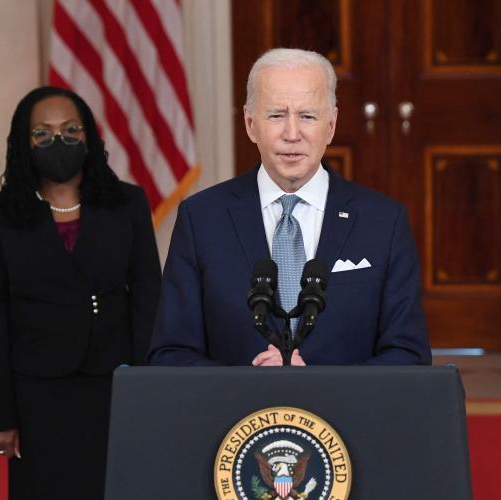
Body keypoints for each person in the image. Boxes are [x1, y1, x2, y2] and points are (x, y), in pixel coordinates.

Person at [0, 86, 161, 500]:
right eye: (43, 133)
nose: (59, 141)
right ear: (23, 144)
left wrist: (150, 392)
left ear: (90, 136)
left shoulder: (125, 203)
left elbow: (149, 297)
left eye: (70, 130)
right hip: (40, 393)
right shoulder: (1, 214)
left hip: (113, 385)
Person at [148, 48, 430, 366]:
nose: (292, 134)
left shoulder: (383, 222)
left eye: (307, 116)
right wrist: (242, 387)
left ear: (331, 125)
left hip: (347, 415)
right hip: (235, 414)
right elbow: (171, 353)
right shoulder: (201, 219)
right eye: (276, 115)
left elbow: (408, 354)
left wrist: (321, 386)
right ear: (250, 124)